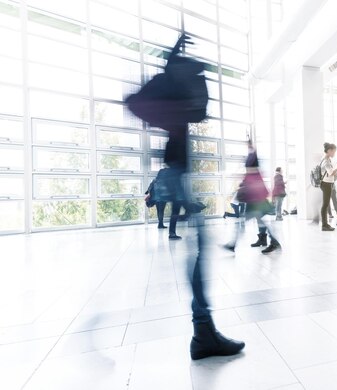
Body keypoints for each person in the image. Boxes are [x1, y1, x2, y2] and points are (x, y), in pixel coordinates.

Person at [125, 34, 244, 359]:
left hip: (178, 173)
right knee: (200, 250)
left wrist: (175, 55)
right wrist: (176, 68)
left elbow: (192, 112)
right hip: (177, 173)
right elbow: (146, 102)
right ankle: (203, 332)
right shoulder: (173, 99)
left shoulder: (175, 103)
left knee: (200, 250)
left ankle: (203, 331)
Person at [224, 143, 281, 254]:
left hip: (257, 203)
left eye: (248, 167)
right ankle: (272, 242)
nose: (247, 169)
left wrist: (251, 148)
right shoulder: (251, 174)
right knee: (259, 222)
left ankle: (233, 244)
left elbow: (257, 190)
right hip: (254, 203)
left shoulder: (254, 174)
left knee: (244, 223)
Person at [320, 143, 337, 231]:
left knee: (325, 205)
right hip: (326, 184)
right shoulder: (326, 160)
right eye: (334, 151)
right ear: (329, 151)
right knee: (325, 205)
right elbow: (331, 173)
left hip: (326, 183)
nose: (334, 153)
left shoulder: (326, 159)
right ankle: (324, 225)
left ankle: (325, 224)